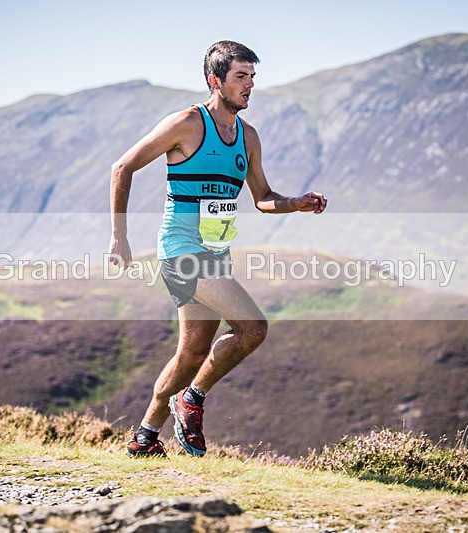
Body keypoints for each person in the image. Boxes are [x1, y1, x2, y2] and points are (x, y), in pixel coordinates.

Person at [109, 40, 328, 457]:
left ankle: (144, 437)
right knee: (253, 328)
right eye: (240, 77)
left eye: (253, 78)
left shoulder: (248, 137)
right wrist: (119, 236)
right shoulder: (187, 124)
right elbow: (123, 167)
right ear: (215, 80)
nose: (249, 86)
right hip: (181, 249)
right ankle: (191, 399)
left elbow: (262, 196)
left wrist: (295, 203)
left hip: (216, 252)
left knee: (191, 353)